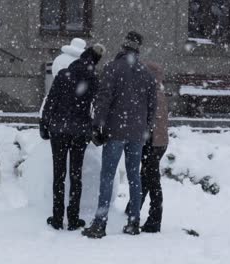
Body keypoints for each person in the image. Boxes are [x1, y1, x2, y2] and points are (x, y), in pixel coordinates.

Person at [82, 31, 157, 239]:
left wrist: (97, 125)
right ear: (138, 49)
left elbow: (103, 99)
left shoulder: (113, 68)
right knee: (134, 176)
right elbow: (153, 106)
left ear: (123, 48)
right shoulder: (147, 73)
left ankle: (100, 223)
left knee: (107, 175)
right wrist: (146, 128)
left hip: (115, 130)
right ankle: (134, 221)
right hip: (137, 133)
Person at [40, 44, 106, 231]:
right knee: (76, 176)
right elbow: (96, 107)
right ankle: (73, 217)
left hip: (59, 130)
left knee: (58, 175)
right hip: (80, 131)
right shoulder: (93, 79)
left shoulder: (63, 75)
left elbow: (51, 101)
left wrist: (44, 124)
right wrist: (96, 128)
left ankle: (58, 217)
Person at [124, 62, 169, 233]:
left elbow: (146, 119)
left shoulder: (151, 93)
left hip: (153, 142)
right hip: (159, 142)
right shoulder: (158, 91)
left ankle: (154, 220)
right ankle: (133, 208)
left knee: (152, 179)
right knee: (146, 177)